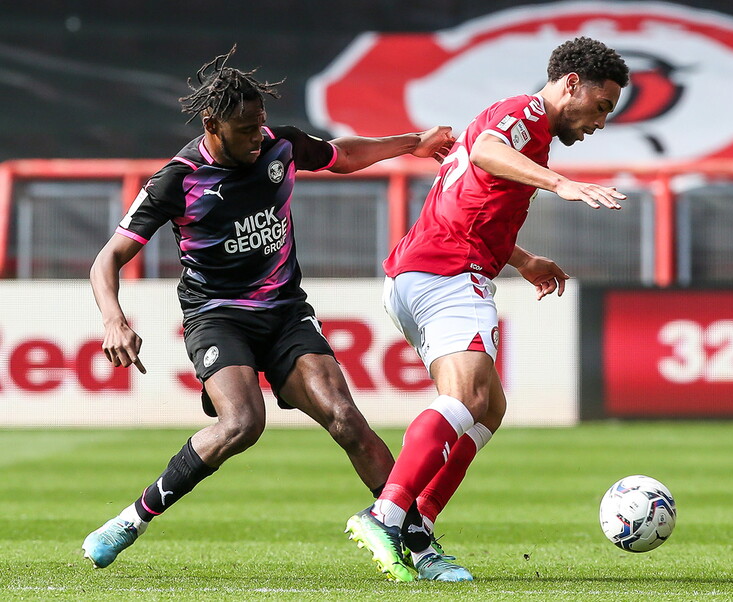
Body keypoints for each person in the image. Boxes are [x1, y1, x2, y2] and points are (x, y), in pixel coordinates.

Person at [81, 47, 455, 569]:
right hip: (216, 315)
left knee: (345, 416)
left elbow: (343, 156)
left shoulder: (279, 145)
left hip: (284, 311)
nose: (258, 136)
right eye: (245, 129)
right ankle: (131, 519)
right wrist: (113, 319)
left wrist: (412, 143)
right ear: (212, 125)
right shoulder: (178, 178)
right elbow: (107, 259)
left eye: (260, 124)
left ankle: (417, 545)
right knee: (242, 424)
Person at [344, 36, 629, 582]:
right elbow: (483, 153)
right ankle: (387, 513)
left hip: (424, 269)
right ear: (571, 84)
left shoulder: (528, 130)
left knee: (487, 407)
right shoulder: (522, 113)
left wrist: (521, 259)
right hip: (447, 272)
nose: (600, 122)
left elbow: (469, 193)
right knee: (469, 396)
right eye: (601, 106)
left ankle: (417, 529)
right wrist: (561, 184)